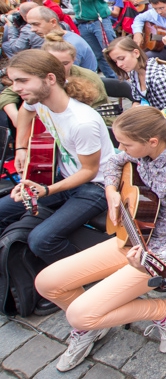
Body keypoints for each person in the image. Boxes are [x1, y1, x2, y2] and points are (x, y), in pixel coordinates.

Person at [34, 107, 166, 371]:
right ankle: (92, 324)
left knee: (78, 314)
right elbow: (114, 162)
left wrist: (151, 260)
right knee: (46, 282)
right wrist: (112, 189)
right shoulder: (142, 152)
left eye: (125, 143)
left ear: (152, 141)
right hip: (136, 233)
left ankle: (165, 310)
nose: (119, 148)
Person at [0, 50, 114, 263]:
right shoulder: (39, 99)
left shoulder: (82, 122)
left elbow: (89, 171)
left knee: (41, 240)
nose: (15, 88)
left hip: (95, 187)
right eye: (14, 81)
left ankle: (86, 275)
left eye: (22, 81)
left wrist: (46, 190)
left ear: (50, 78)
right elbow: (25, 111)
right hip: (64, 178)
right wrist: (21, 148)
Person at [104, 36, 166, 127]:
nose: (119, 64)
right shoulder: (134, 72)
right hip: (152, 120)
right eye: (115, 61)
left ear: (136, 53)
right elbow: (139, 100)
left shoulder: (159, 78)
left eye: (121, 58)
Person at [26, 6, 97, 71]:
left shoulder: (70, 44)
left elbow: (66, 75)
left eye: (36, 24)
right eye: (31, 25)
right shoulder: (60, 38)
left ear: (53, 22)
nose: (32, 29)